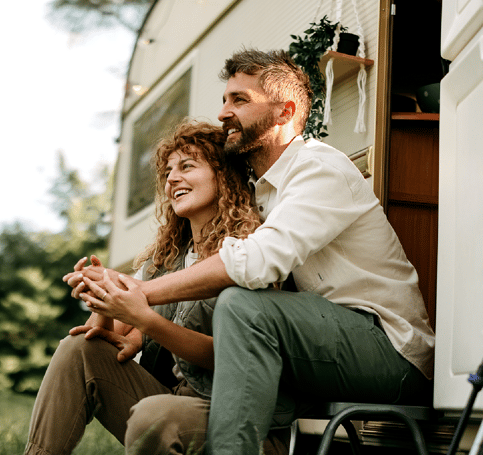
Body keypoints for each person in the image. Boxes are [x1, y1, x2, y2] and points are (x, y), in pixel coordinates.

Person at [74, 48, 436, 455]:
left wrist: (140, 293)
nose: (224, 111)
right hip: (313, 349)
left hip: (388, 352)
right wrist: (131, 317)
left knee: (243, 304)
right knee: (236, 314)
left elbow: (258, 262)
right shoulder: (259, 193)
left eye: (240, 100)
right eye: (225, 99)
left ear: (284, 112)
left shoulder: (319, 169)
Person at [23, 119, 288, 455]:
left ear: (223, 174)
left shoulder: (250, 255)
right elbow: (105, 339)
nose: (172, 178)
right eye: (169, 172)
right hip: (168, 400)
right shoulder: (164, 261)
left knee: (154, 415)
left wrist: (149, 323)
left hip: (238, 420)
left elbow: (236, 359)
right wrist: (102, 299)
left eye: (187, 166)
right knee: (77, 348)